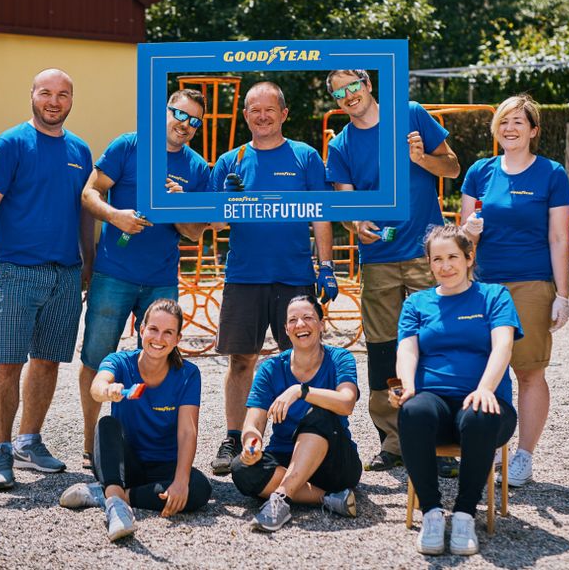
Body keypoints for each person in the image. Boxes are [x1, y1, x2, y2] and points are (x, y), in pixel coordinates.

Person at [324, 70, 460, 473]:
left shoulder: (411, 114)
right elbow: (346, 207)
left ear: (368, 85)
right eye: (339, 93)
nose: (348, 96)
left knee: (436, 344)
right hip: (379, 259)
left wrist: (422, 159)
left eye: (353, 86)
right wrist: (356, 223)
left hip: (427, 253)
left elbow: (452, 167)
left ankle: (442, 441)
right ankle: (394, 442)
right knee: (384, 351)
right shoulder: (340, 145)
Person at [0, 68, 94, 491]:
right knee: (6, 363)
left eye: (63, 94)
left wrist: (89, 262)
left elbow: (84, 213)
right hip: (16, 270)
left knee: (47, 361)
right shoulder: (9, 144)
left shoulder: (80, 150)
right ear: (32, 95)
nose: (54, 101)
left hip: (66, 273)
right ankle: (1, 453)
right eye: (46, 93)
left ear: (71, 100)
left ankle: (28, 442)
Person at [76, 89, 211, 470]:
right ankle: (90, 443)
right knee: (96, 358)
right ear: (164, 111)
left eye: (194, 121)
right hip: (113, 273)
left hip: (160, 279)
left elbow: (194, 233)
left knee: (156, 361)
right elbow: (89, 193)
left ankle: (139, 446)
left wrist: (180, 204)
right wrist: (115, 216)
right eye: (179, 114)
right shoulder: (129, 145)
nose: (185, 125)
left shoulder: (197, 168)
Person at [208, 82, 337, 475]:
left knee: (301, 359)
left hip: (294, 276)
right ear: (245, 115)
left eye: (269, 109)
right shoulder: (230, 161)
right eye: (254, 110)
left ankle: (300, 438)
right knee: (241, 360)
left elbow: (322, 214)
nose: (262, 116)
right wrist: (227, 201)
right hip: (245, 275)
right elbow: (214, 224)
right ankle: (234, 437)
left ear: (284, 114)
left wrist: (326, 266)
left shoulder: (305, 156)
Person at [460, 95, 569, 487]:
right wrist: (468, 231)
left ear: (533, 130)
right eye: (504, 122)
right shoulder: (480, 172)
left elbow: (559, 238)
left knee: (528, 371)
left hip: (531, 284)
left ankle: (523, 456)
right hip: (483, 287)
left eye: (518, 122)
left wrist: (562, 295)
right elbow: (464, 239)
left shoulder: (552, 174)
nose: (510, 129)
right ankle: (490, 446)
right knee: (482, 370)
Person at [394, 224, 520, 556]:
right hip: (433, 403)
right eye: (437, 259)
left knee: (479, 413)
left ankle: (465, 514)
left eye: (452, 257)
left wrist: (485, 388)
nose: (445, 266)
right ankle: (432, 513)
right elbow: (407, 350)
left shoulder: (494, 296)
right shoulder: (417, 303)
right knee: (413, 410)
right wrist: (408, 386)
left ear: (468, 257)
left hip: (485, 406)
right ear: (429, 263)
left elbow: (503, 346)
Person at [59, 299, 212, 541]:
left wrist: (181, 481)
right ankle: (117, 504)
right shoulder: (120, 361)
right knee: (107, 424)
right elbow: (97, 386)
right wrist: (107, 390)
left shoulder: (188, 373)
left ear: (177, 339)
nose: (159, 338)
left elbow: (187, 431)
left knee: (200, 488)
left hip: (164, 466)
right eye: (153, 329)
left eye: (168, 332)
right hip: (123, 464)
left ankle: (111, 495)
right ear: (141, 330)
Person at [231, 296, 360, 532]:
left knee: (320, 412)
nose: (300, 324)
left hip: (333, 463)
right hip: (284, 458)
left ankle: (281, 497)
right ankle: (328, 498)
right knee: (241, 468)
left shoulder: (340, 358)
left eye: (308, 317)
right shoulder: (271, 368)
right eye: (293, 320)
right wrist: (251, 442)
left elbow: (346, 403)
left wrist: (301, 391)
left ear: (321, 324)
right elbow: (254, 421)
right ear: (286, 330)